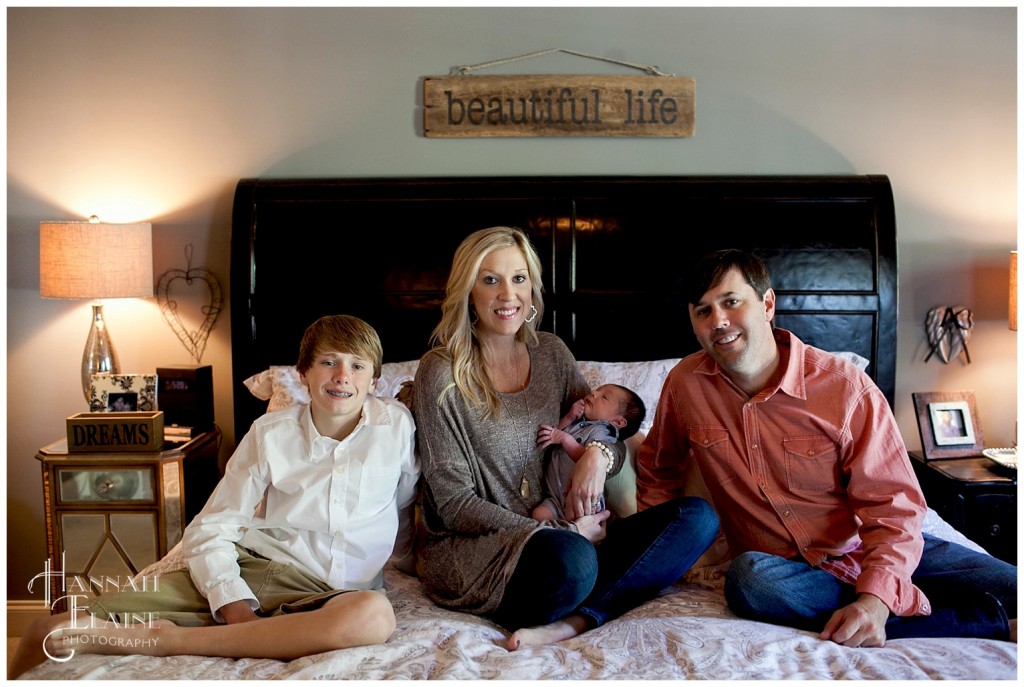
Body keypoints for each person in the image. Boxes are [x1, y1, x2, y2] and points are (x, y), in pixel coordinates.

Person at [636, 248, 1017, 648]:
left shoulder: (845, 388)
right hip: (782, 572)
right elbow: (658, 469)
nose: (719, 322)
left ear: (767, 304)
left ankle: (889, 604)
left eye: (731, 302)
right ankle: (980, 623)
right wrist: (661, 554)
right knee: (748, 582)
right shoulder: (685, 385)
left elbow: (894, 504)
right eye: (703, 311)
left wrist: (874, 599)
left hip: (866, 547)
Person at [11, 315, 420, 678]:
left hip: (334, 595)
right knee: (47, 631)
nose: (341, 376)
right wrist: (231, 599)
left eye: (357, 365)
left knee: (373, 616)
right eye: (328, 362)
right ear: (303, 373)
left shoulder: (397, 428)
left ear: (375, 379)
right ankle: (233, 632)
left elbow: (404, 504)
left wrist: (404, 567)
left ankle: (169, 641)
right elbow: (212, 526)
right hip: (260, 569)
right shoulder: (270, 433)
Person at [412, 226, 718, 651]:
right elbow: (452, 504)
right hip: (482, 549)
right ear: (467, 290)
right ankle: (597, 590)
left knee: (697, 518)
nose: (508, 294)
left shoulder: (552, 353)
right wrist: (558, 531)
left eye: (519, 278)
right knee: (573, 563)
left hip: (571, 535)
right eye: (490, 279)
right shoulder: (440, 372)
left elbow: (603, 431)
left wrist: (595, 457)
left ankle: (572, 621)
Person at [532, 383, 645, 522]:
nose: (593, 393)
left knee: (577, 525)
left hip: (582, 501)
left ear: (618, 421)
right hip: (554, 498)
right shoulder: (580, 424)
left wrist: (564, 438)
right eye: (596, 390)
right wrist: (569, 418)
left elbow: (586, 458)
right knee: (538, 515)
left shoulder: (603, 432)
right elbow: (553, 435)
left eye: (604, 397)